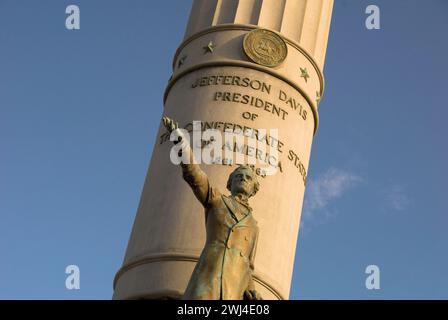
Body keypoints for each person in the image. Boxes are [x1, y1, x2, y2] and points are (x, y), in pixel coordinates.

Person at [162, 116, 262, 300]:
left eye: (248, 178)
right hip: (208, 276)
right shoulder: (217, 200)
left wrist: (252, 290)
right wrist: (181, 144)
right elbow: (195, 176)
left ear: (254, 189)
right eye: (238, 176)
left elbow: (248, 264)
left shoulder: (254, 226)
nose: (243, 179)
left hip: (233, 289)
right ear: (229, 183)